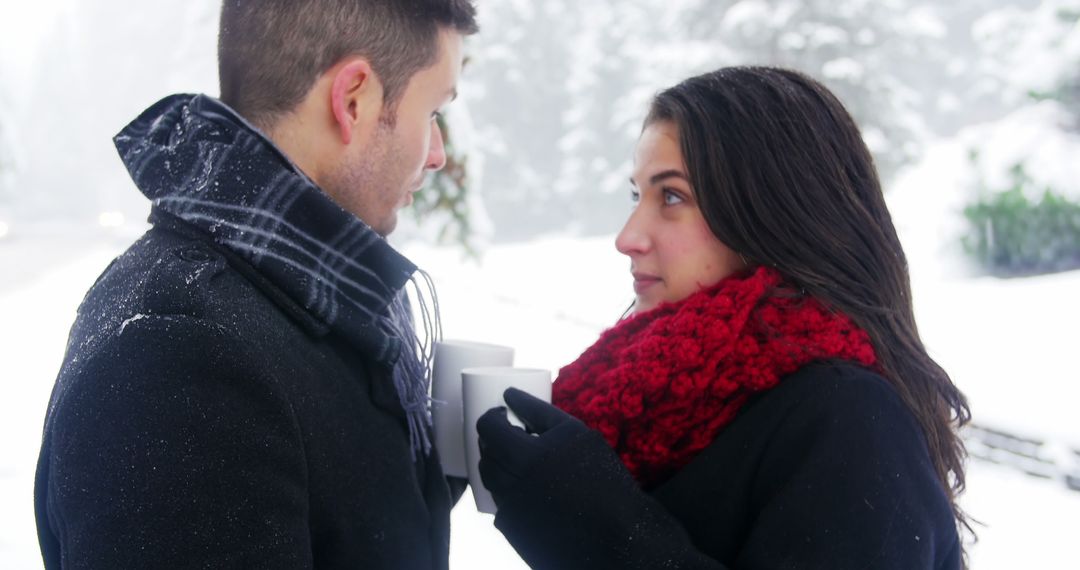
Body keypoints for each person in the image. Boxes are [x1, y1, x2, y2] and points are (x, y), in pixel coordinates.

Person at [34, 1, 477, 568]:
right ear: (354, 99)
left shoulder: (298, 298)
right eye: (434, 110)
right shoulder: (180, 354)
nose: (437, 153)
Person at [476, 66, 971, 569]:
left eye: (671, 196)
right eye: (636, 195)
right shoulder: (668, 400)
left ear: (772, 213)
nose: (628, 236)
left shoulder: (851, 420)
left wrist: (594, 527)